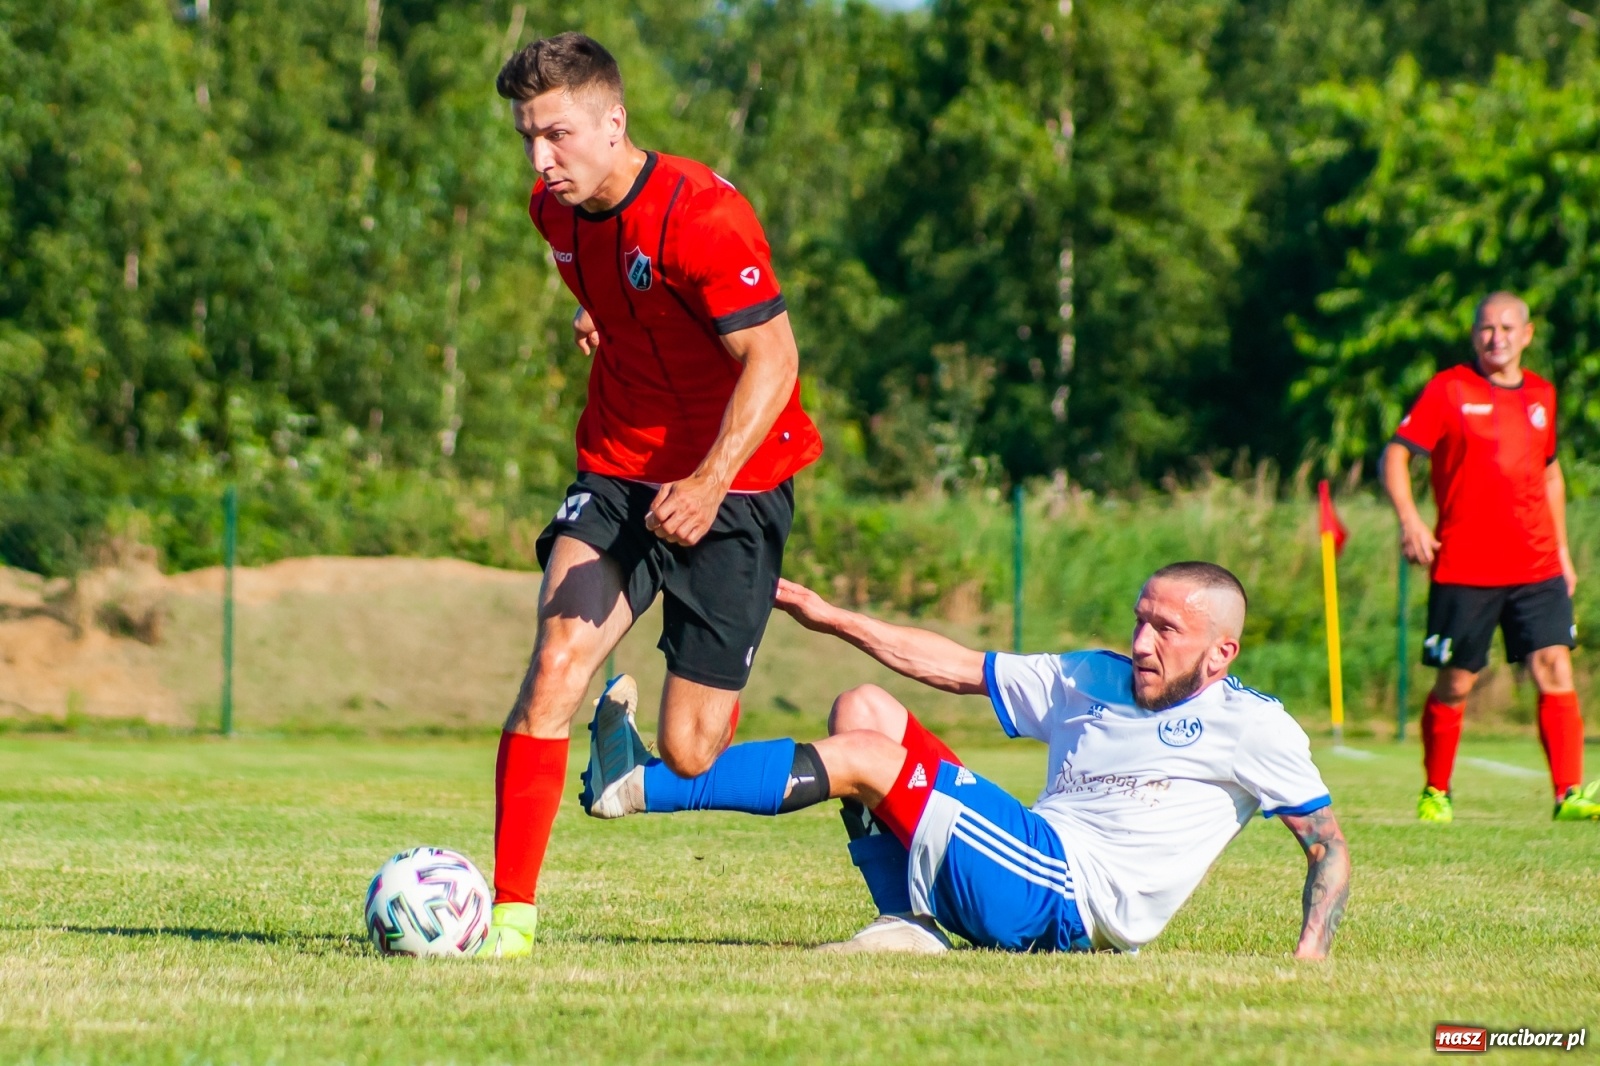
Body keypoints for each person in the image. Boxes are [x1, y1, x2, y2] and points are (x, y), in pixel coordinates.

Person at [482, 33, 824, 956]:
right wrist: (605, 319)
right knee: (556, 662)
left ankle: (648, 759)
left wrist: (711, 482)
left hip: (736, 481)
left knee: (693, 749)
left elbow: (775, 358)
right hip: (618, 466)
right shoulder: (553, 215)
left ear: (613, 121)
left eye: (556, 135)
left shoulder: (704, 214)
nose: (539, 159)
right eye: (526, 137)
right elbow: (611, 286)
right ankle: (510, 916)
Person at [583, 562, 1351, 958]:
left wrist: (1310, 953)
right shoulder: (1094, 674)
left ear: (1222, 653)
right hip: (1026, 855)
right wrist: (829, 617)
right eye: (1140, 620)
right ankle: (909, 923)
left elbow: (1327, 845)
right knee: (864, 708)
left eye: (1166, 632)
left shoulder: (1252, 726)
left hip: (1068, 902)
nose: (1142, 643)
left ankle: (637, 784)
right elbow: (955, 666)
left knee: (869, 756)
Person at [1382, 291, 1599, 823]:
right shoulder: (1449, 388)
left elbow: (1549, 474)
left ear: (1526, 335)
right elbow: (1396, 453)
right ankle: (1436, 791)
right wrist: (1411, 520)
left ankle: (1568, 794)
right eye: (1486, 328)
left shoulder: (1543, 396)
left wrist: (1565, 553)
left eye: (1507, 328)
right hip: (1465, 565)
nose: (1495, 337)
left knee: (1554, 665)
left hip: (1537, 563)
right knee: (1457, 680)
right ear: (1474, 334)